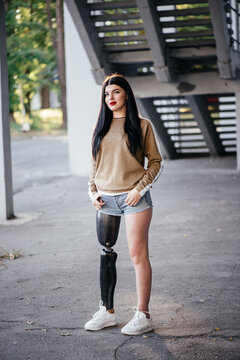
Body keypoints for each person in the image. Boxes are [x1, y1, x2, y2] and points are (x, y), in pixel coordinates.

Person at [85, 73, 163, 335]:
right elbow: (95, 166)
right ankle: (107, 311)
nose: (110, 98)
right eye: (107, 94)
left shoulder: (142, 125)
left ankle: (143, 314)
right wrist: (92, 192)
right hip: (105, 199)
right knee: (106, 254)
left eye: (116, 92)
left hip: (134, 199)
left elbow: (155, 162)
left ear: (126, 94)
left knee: (137, 255)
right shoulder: (101, 127)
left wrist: (139, 190)